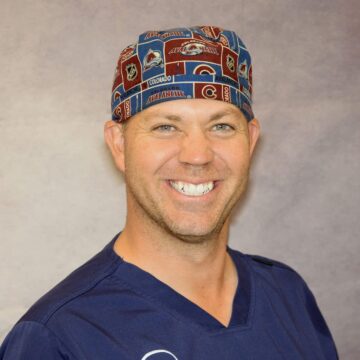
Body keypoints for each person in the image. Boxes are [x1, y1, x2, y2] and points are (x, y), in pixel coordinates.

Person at [0, 25, 338, 359]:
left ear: (250, 140)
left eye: (221, 126)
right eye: (166, 127)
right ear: (119, 145)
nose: (197, 155)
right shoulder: (59, 337)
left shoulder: (288, 296)